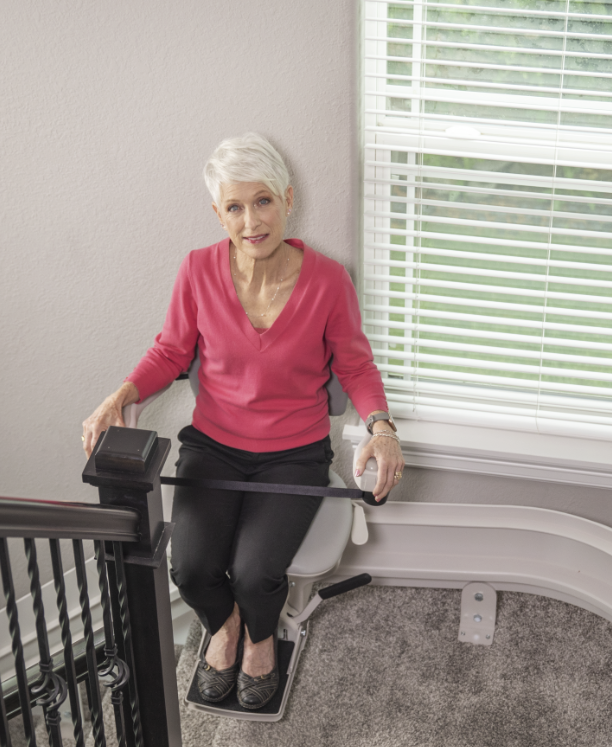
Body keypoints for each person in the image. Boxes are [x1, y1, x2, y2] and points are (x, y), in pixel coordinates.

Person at [81, 133, 403, 709]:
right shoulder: (197, 270)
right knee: (192, 569)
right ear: (218, 213)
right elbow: (171, 352)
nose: (251, 221)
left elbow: (355, 366)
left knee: (256, 573)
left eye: (263, 202)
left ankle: (259, 637)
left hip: (294, 454)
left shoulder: (328, 281)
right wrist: (121, 395)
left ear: (287, 198)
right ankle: (224, 626)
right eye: (235, 207)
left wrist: (381, 427)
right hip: (213, 449)